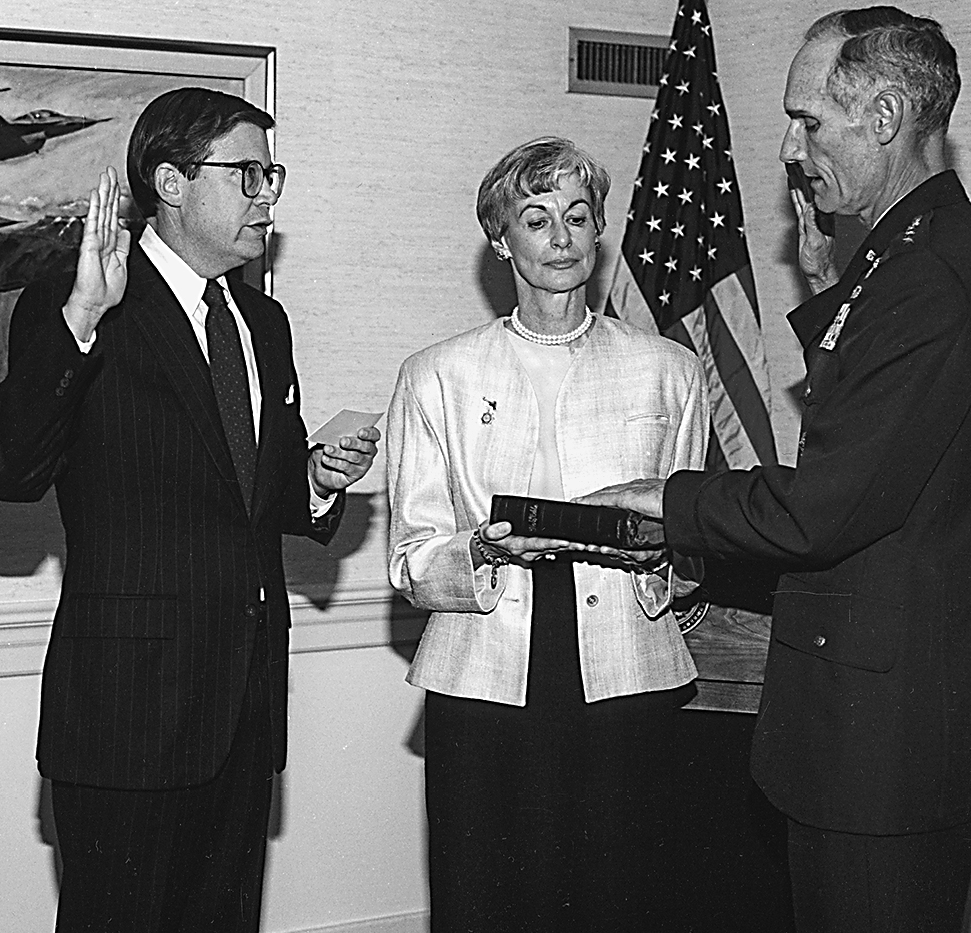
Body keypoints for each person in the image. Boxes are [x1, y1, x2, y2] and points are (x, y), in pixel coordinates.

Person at [580, 8, 971, 932]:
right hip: (883, 717)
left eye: (808, 120)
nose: (792, 148)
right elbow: (891, 446)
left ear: (881, 117)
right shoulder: (911, 253)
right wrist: (832, 283)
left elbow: (825, 508)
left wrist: (663, 498)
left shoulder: (924, 276)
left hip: (878, 741)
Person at [0, 87, 379, 933]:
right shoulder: (83, 302)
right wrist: (80, 317)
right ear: (172, 180)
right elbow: (8, 469)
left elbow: (248, 496)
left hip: (244, 708)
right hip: (128, 713)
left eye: (273, 175)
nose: (268, 195)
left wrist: (317, 480)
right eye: (250, 174)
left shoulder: (261, 321)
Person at [385, 136, 708, 932]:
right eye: (535, 219)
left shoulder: (667, 367)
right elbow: (409, 556)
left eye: (576, 215)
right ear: (501, 240)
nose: (559, 238)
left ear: (598, 231)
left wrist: (661, 553)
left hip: (627, 669)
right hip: (486, 674)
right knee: (489, 896)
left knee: (625, 895)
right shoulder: (437, 374)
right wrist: (486, 550)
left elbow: (698, 542)